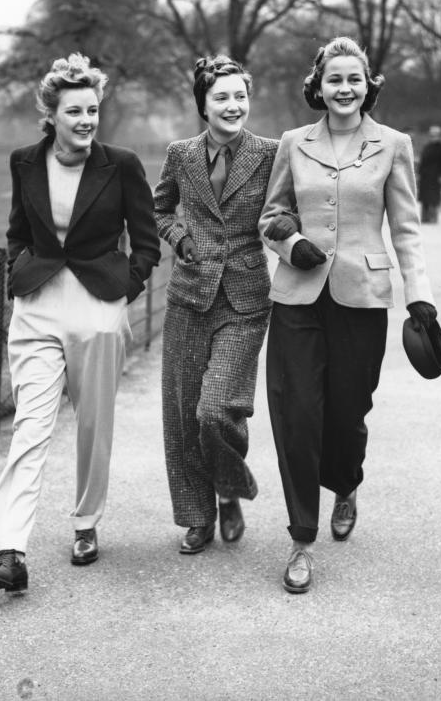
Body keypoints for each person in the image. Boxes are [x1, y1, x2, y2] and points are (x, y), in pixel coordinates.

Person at [0, 53, 161, 592]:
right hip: (37, 308)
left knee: (92, 426)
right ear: (51, 114)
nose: (85, 121)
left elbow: (145, 243)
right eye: (74, 111)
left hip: (98, 310)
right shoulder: (24, 162)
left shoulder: (121, 164)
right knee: (30, 427)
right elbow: (18, 230)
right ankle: (11, 551)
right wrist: (18, 272)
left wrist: (124, 291)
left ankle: (85, 524)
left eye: (93, 111)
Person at [258, 36, 438, 593]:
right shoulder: (293, 143)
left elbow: (406, 227)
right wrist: (291, 245)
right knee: (297, 415)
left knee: (346, 413)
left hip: (362, 299)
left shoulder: (394, 144)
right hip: (298, 298)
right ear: (319, 85)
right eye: (334, 79)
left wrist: (420, 296)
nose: (344, 89)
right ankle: (301, 540)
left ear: (367, 86)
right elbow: (271, 213)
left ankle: (346, 483)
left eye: (353, 80)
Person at [154, 56, 278, 554]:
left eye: (240, 96)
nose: (233, 106)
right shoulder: (180, 155)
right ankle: (197, 517)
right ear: (203, 105)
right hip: (189, 295)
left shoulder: (270, 154)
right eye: (221, 97)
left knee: (215, 410)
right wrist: (178, 235)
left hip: (246, 299)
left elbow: (284, 209)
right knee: (183, 414)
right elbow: (159, 206)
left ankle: (230, 485)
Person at [417, 125, 441, 224]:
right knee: (424, 197)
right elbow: (422, 162)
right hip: (425, 176)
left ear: (439, 135)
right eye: (431, 135)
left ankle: (433, 217)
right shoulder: (427, 147)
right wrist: (419, 173)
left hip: (436, 176)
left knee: (434, 197)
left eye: (435, 135)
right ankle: (424, 217)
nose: (433, 137)